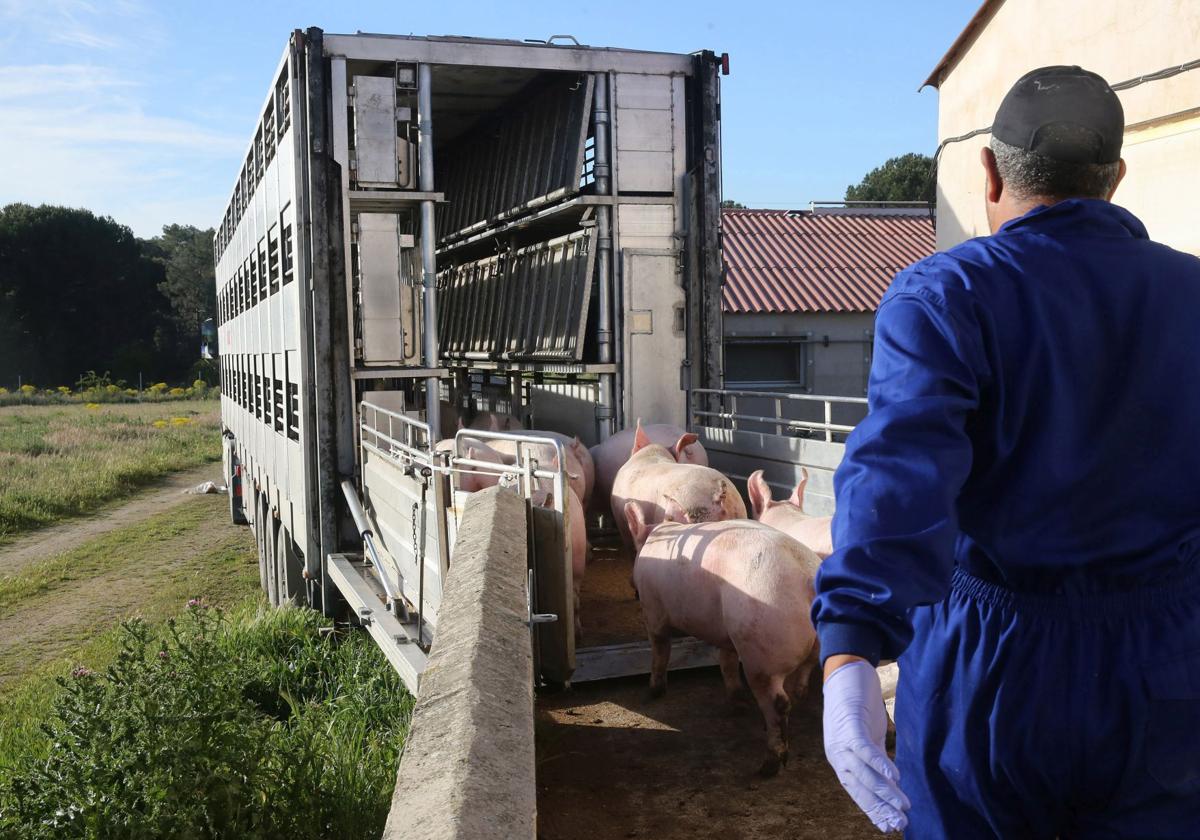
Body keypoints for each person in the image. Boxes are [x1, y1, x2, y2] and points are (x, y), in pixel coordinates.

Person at [813, 65, 1200, 837]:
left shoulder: (946, 296)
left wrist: (851, 647)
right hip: (1170, 665)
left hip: (994, 670)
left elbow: (900, 473)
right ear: (1115, 179)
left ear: (987, 171)